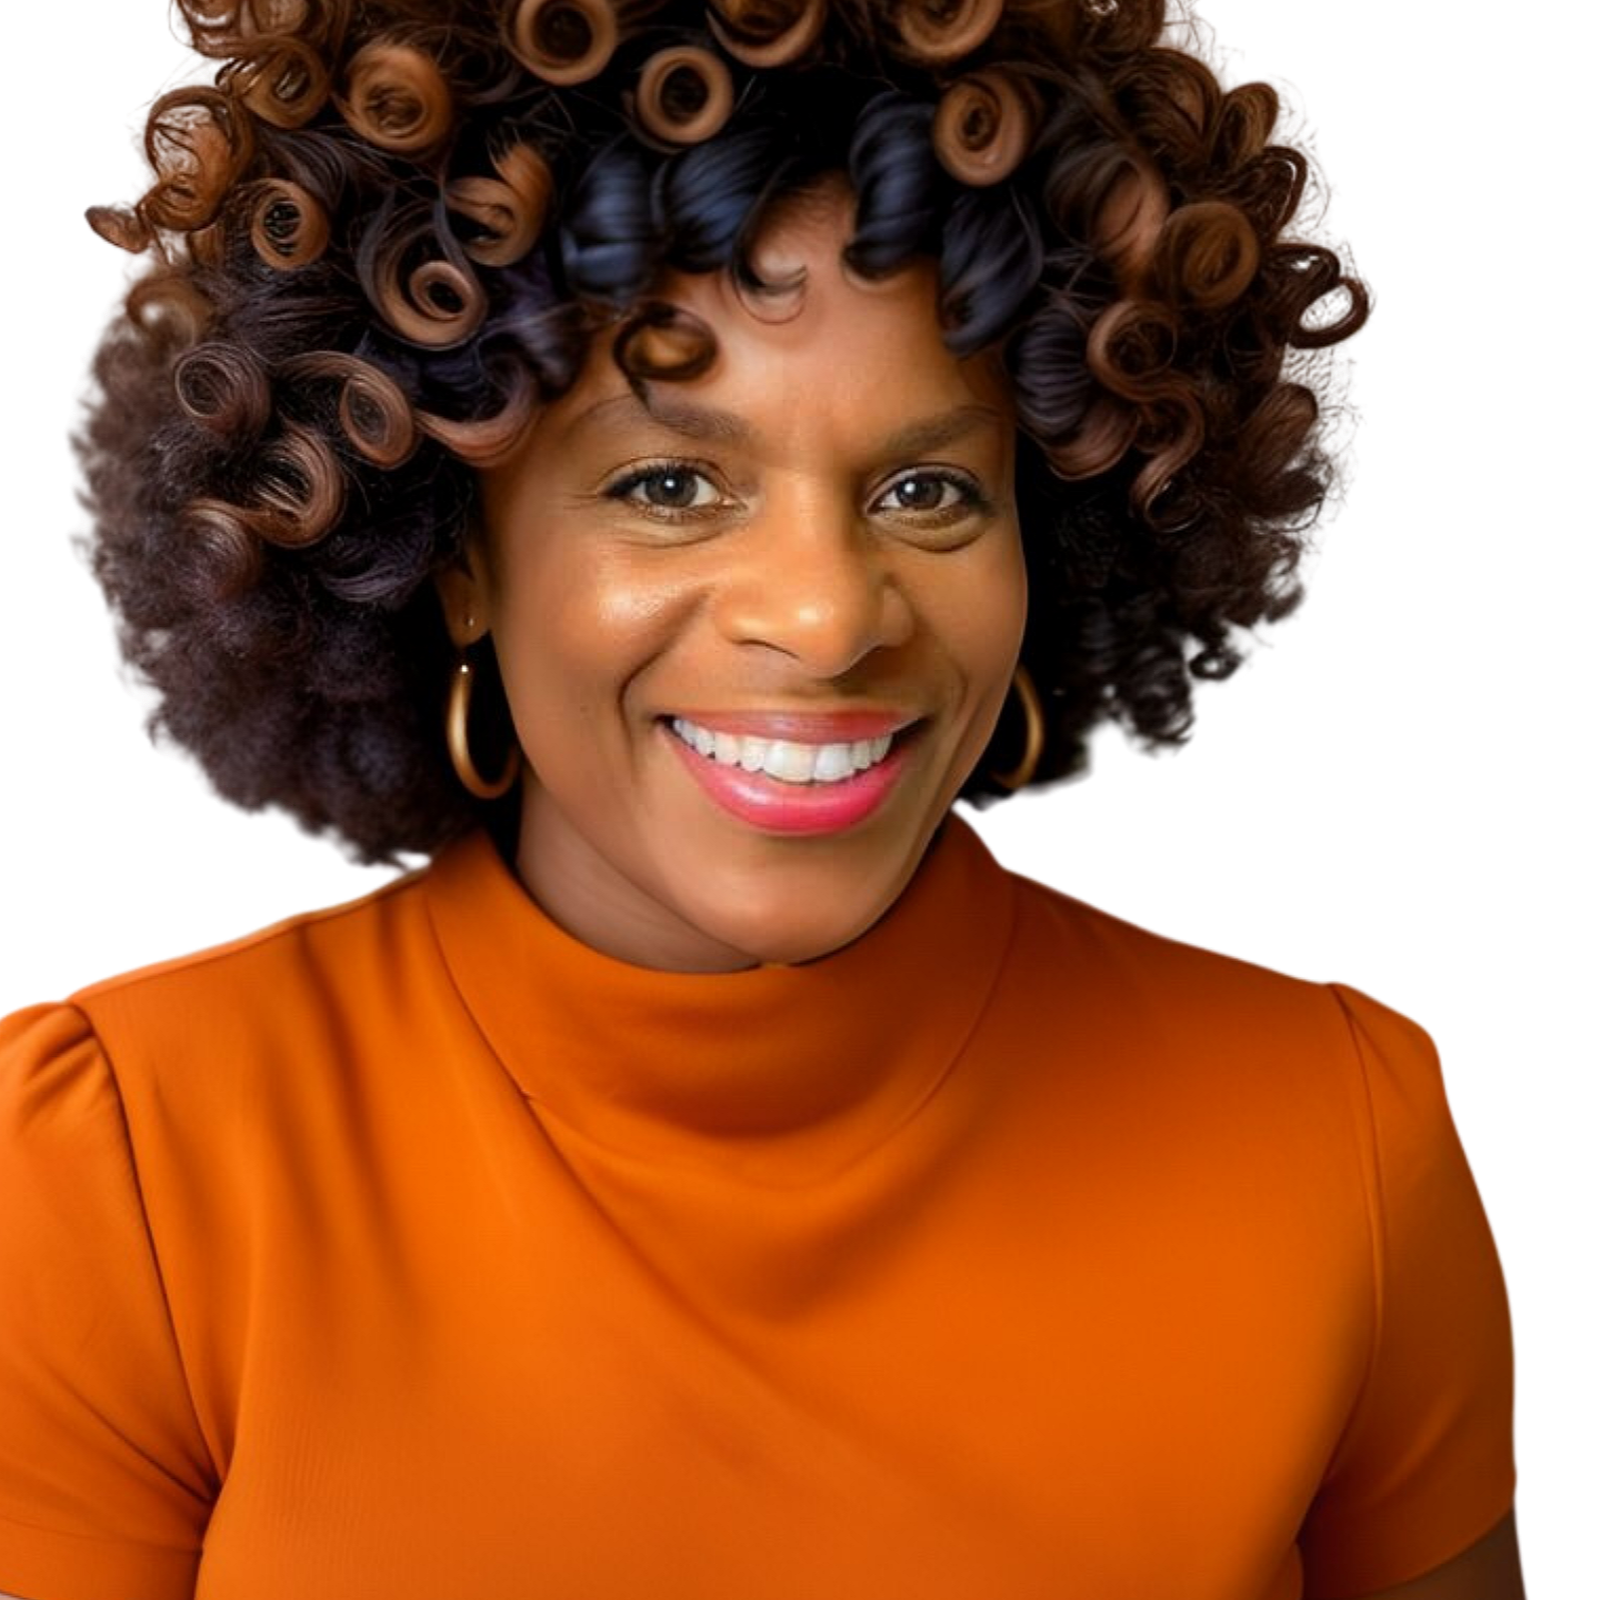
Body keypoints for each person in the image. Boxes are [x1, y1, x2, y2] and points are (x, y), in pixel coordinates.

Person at [2, 2, 1525, 1596]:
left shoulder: (1330, 1142)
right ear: (454, 552)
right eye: (670, 485)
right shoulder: (126, 1166)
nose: (826, 614)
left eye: (926, 488)